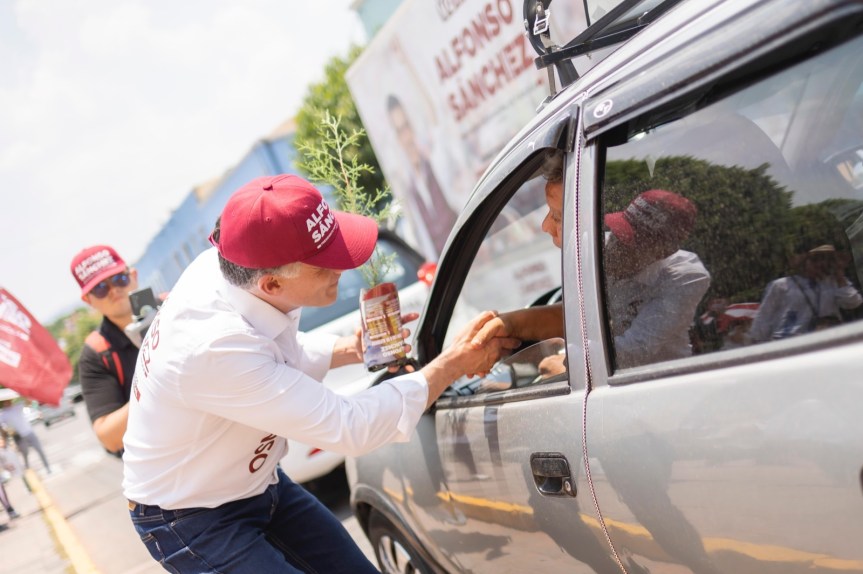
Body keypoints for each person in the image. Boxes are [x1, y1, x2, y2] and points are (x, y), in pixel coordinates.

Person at [121, 174, 517, 574]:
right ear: (272, 283)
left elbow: (274, 356)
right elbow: (349, 427)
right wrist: (452, 364)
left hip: (257, 483)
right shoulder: (213, 345)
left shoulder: (233, 270)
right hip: (191, 517)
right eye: (325, 264)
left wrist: (350, 349)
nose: (344, 266)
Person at [472, 151, 711, 369]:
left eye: (557, 216)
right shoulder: (601, 248)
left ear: (662, 251)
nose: (614, 243)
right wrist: (510, 324)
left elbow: (636, 349)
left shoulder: (683, 276)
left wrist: (566, 365)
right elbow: (578, 315)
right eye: (619, 229)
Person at [70, 245, 140, 456]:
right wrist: (155, 386)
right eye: (100, 287)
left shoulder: (173, 308)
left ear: (133, 275)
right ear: (88, 300)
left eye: (119, 279)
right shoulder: (96, 353)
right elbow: (108, 437)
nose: (113, 290)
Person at [386, 94, 459, 257]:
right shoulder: (407, 188)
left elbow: (434, 116)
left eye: (406, 127)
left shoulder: (436, 163)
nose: (406, 138)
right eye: (399, 131)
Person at [750, 244, 863, 342]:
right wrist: (758, 342)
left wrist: (839, 275)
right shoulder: (781, 285)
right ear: (804, 262)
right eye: (815, 260)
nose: (820, 263)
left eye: (825, 259)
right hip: (788, 341)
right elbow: (764, 317)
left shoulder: (833, 282)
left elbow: (853, 303)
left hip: (824, 340)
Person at [0, 399, 52, 473]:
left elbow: (29, 403)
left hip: (29, 432)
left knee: (40, 450)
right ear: (3, 403)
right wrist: (5, 437)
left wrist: (26, 397)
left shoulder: (17, 407)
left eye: (9, 401)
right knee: (25, 453)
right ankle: (27, 467)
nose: (8, 402)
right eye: (6, 401)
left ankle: (47, 467)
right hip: (19, 436)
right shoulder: (3, 414)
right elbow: (1, 427)